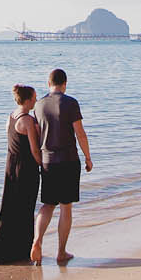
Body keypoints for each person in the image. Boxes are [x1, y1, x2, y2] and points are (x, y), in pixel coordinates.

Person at [31, 67, 92, 264]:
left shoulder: (38, 105)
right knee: (66, 207)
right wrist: (88, 157)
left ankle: (37, 240)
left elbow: (37, 134)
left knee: (47, 205)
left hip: (47, 162)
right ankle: (61, 252)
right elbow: (80, 133)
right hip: (68, 161)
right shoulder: (71, 103)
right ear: (65, 84)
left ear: (48, 84)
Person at [0, 84, 44, 264]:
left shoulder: (11, 116)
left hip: (11, 165)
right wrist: (43, 164)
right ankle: (19, 250)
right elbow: (35, 150)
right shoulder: (27, 120)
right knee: (25, 208)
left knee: (10, 207)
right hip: (26, 168)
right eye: (34, 97)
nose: (36, 100)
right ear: (28, 99)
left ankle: (3, 250)